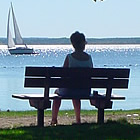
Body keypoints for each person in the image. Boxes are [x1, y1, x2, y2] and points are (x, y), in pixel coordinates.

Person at [51, 31, 93, 125]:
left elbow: (63, 74)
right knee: (76, 91)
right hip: (85, 90)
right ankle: (78, 119)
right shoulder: (89, 58)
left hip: (69, 90)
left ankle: (54, 119)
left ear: (73, 44)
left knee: (57, 93)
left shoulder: (70, 57)